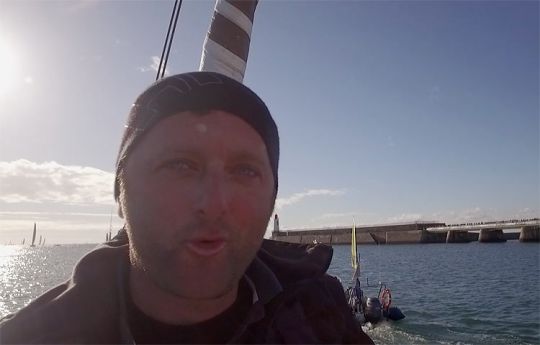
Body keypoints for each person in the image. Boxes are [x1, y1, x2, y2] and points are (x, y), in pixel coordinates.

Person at [0, 72, 374, 344]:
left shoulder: (319, 312)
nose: (214, 205)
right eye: (179, 166)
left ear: (273, 197)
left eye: (245, 170)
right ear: (119, 193)